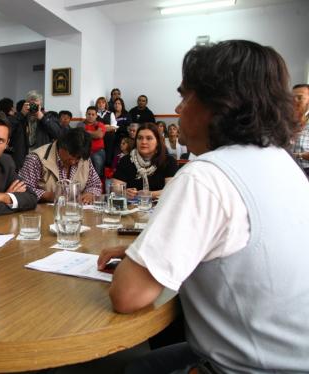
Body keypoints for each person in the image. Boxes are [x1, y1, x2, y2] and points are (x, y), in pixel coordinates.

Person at [99, 40, 309, 374]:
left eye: (185, 96)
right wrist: (144, 251)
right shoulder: (284, 164)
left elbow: (127, 296)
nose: (179, 109)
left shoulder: (204, 176)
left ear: (219, 104)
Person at [19, 128, 102, 204]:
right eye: (71, 156)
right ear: (62, 146)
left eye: (78, 158)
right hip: (43, 212)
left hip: (74, 213)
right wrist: (50, 196)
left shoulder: (83, 158)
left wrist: (89, 193)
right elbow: (23, 189)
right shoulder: (36, 159)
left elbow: (95, 184)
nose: (73, 162)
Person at [112, 122, 177, 199]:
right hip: (131, 207)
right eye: (140, 138)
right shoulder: (126, 160)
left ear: (158, 142)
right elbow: (115, 188)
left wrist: (150, 194)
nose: (143, 142)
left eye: (149, 138)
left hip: (160, 207)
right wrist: (125, 192)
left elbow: (172, 190)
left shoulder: (168, 161)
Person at [0, 97, 28, 171]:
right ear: (11, 108)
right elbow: (9, 128)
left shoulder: (15, 119)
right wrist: (21, 114)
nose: (15, 109)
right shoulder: (9, 120)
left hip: (14, 158)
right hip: (13, 159)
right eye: (13, 106)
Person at [81, 105, 107, 178]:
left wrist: (86, 132)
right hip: (84, 152)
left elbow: (99, 135)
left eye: (93, 114)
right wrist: (94, 132)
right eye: (89, 114)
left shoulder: (100, 124)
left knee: (97, 174)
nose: (90, 116)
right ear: (86, 114)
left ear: (96, 116)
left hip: (98, 152)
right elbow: (81, 137)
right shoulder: (80, 124)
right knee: (84, 173)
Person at [292, 83, 309, 175]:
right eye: (291, 98)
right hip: (291, 169)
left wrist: (298, 155)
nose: (294, 101)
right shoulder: (288, 120)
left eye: (299, 97)